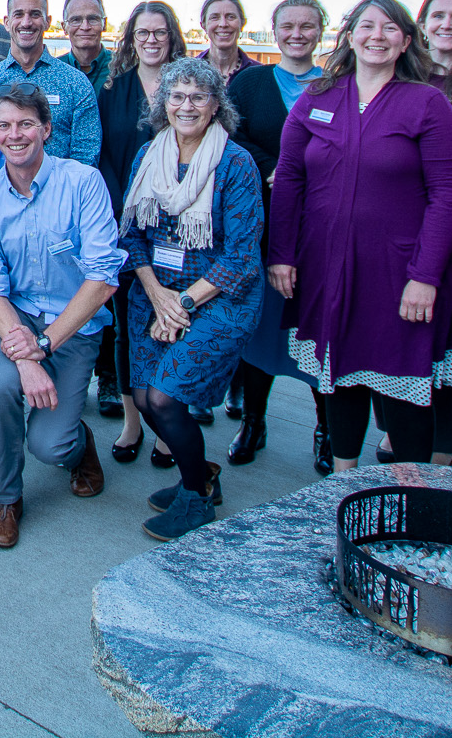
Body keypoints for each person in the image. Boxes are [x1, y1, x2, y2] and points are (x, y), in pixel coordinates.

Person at [268, 0, 452, 469]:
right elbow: (289, 176)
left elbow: (447, 195)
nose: (376, 35)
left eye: (389, 28)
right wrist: (282, 254)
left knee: (403, 380)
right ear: (349, 34)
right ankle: (343, 482)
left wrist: (426, 275)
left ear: (405, 40)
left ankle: (410, 494)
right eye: (366, 26)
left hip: (399, 271)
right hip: (324, 264)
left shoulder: (427, 103)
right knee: (338, 374)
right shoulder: (319, 96)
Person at [0, 84, 125, 548]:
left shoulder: (82, 182)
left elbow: (102, 278)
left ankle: (79, 446)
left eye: (25, 124)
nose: (14, 135)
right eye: (4, 125)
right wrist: (25, 355)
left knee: (49, 445)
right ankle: (4, 498)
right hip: (15, 321)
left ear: (46, 130)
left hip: (73, 323)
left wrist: (44, 346)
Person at [121, 59, 265, 541]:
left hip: (219, 297)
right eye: (177, 96)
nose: (186, 106)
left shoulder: (235, 163)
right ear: (162, 103)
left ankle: (196, 498)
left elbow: (243, 255)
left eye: (198, 97)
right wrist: (157, 294)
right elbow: (132, 236)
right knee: (143, 398)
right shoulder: (148, 154)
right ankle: (199, 472)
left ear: (215, 106)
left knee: (165, 398)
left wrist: (181, 304)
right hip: (155, 292)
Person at [371, 0, 452, 467]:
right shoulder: (398, 80)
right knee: (394, 335)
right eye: (436, 15)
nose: (446, 24)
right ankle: (395, 431)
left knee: (443, 347)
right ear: (418, 27)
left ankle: (442, 447)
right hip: (399, 232)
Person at [222, 0, 327, 470]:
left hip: (321, 225)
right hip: (261, 220)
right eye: (288, 25)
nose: (297, 34)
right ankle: (254, 421)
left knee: (319, 328)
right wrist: (275, 168)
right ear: (275, 29)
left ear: (320, 31)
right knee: (261, 326)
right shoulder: (251, 81)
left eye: (307, 26)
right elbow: (229, 131)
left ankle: (327, 428)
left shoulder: (337, 85)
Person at [96, 2, 187, 458]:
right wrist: (120, 212)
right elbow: (104, 154)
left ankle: (167, 424)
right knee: (127, 329)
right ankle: (133, 423)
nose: (151, 40)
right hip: (124, 221)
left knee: (170, 322)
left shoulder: (186, 87)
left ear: (172, 37)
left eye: (159, 32)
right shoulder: (113, 88)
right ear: (130, 39)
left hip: (177, 226)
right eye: (142, 32)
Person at [0, 0, 101, 167]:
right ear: (7, 22)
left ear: (47, 21)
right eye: (18, 14)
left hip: (62, 192)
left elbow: (86, 155)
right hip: (1, 192)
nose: (26, 22)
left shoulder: (75, 82)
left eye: (35, 14)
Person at [58, 0, 114, 95]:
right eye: (76, 20)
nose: (85, 27)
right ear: (64, 27)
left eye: (93, 19)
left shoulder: (123, 67)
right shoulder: (54, 71)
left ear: (104, 24)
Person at [198, 0, 253, 80]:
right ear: (203, 25)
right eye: (214, 17)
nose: (223, 24)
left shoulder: (259, 75)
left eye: (230, 17)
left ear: (242, 23)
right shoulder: (187, 73)